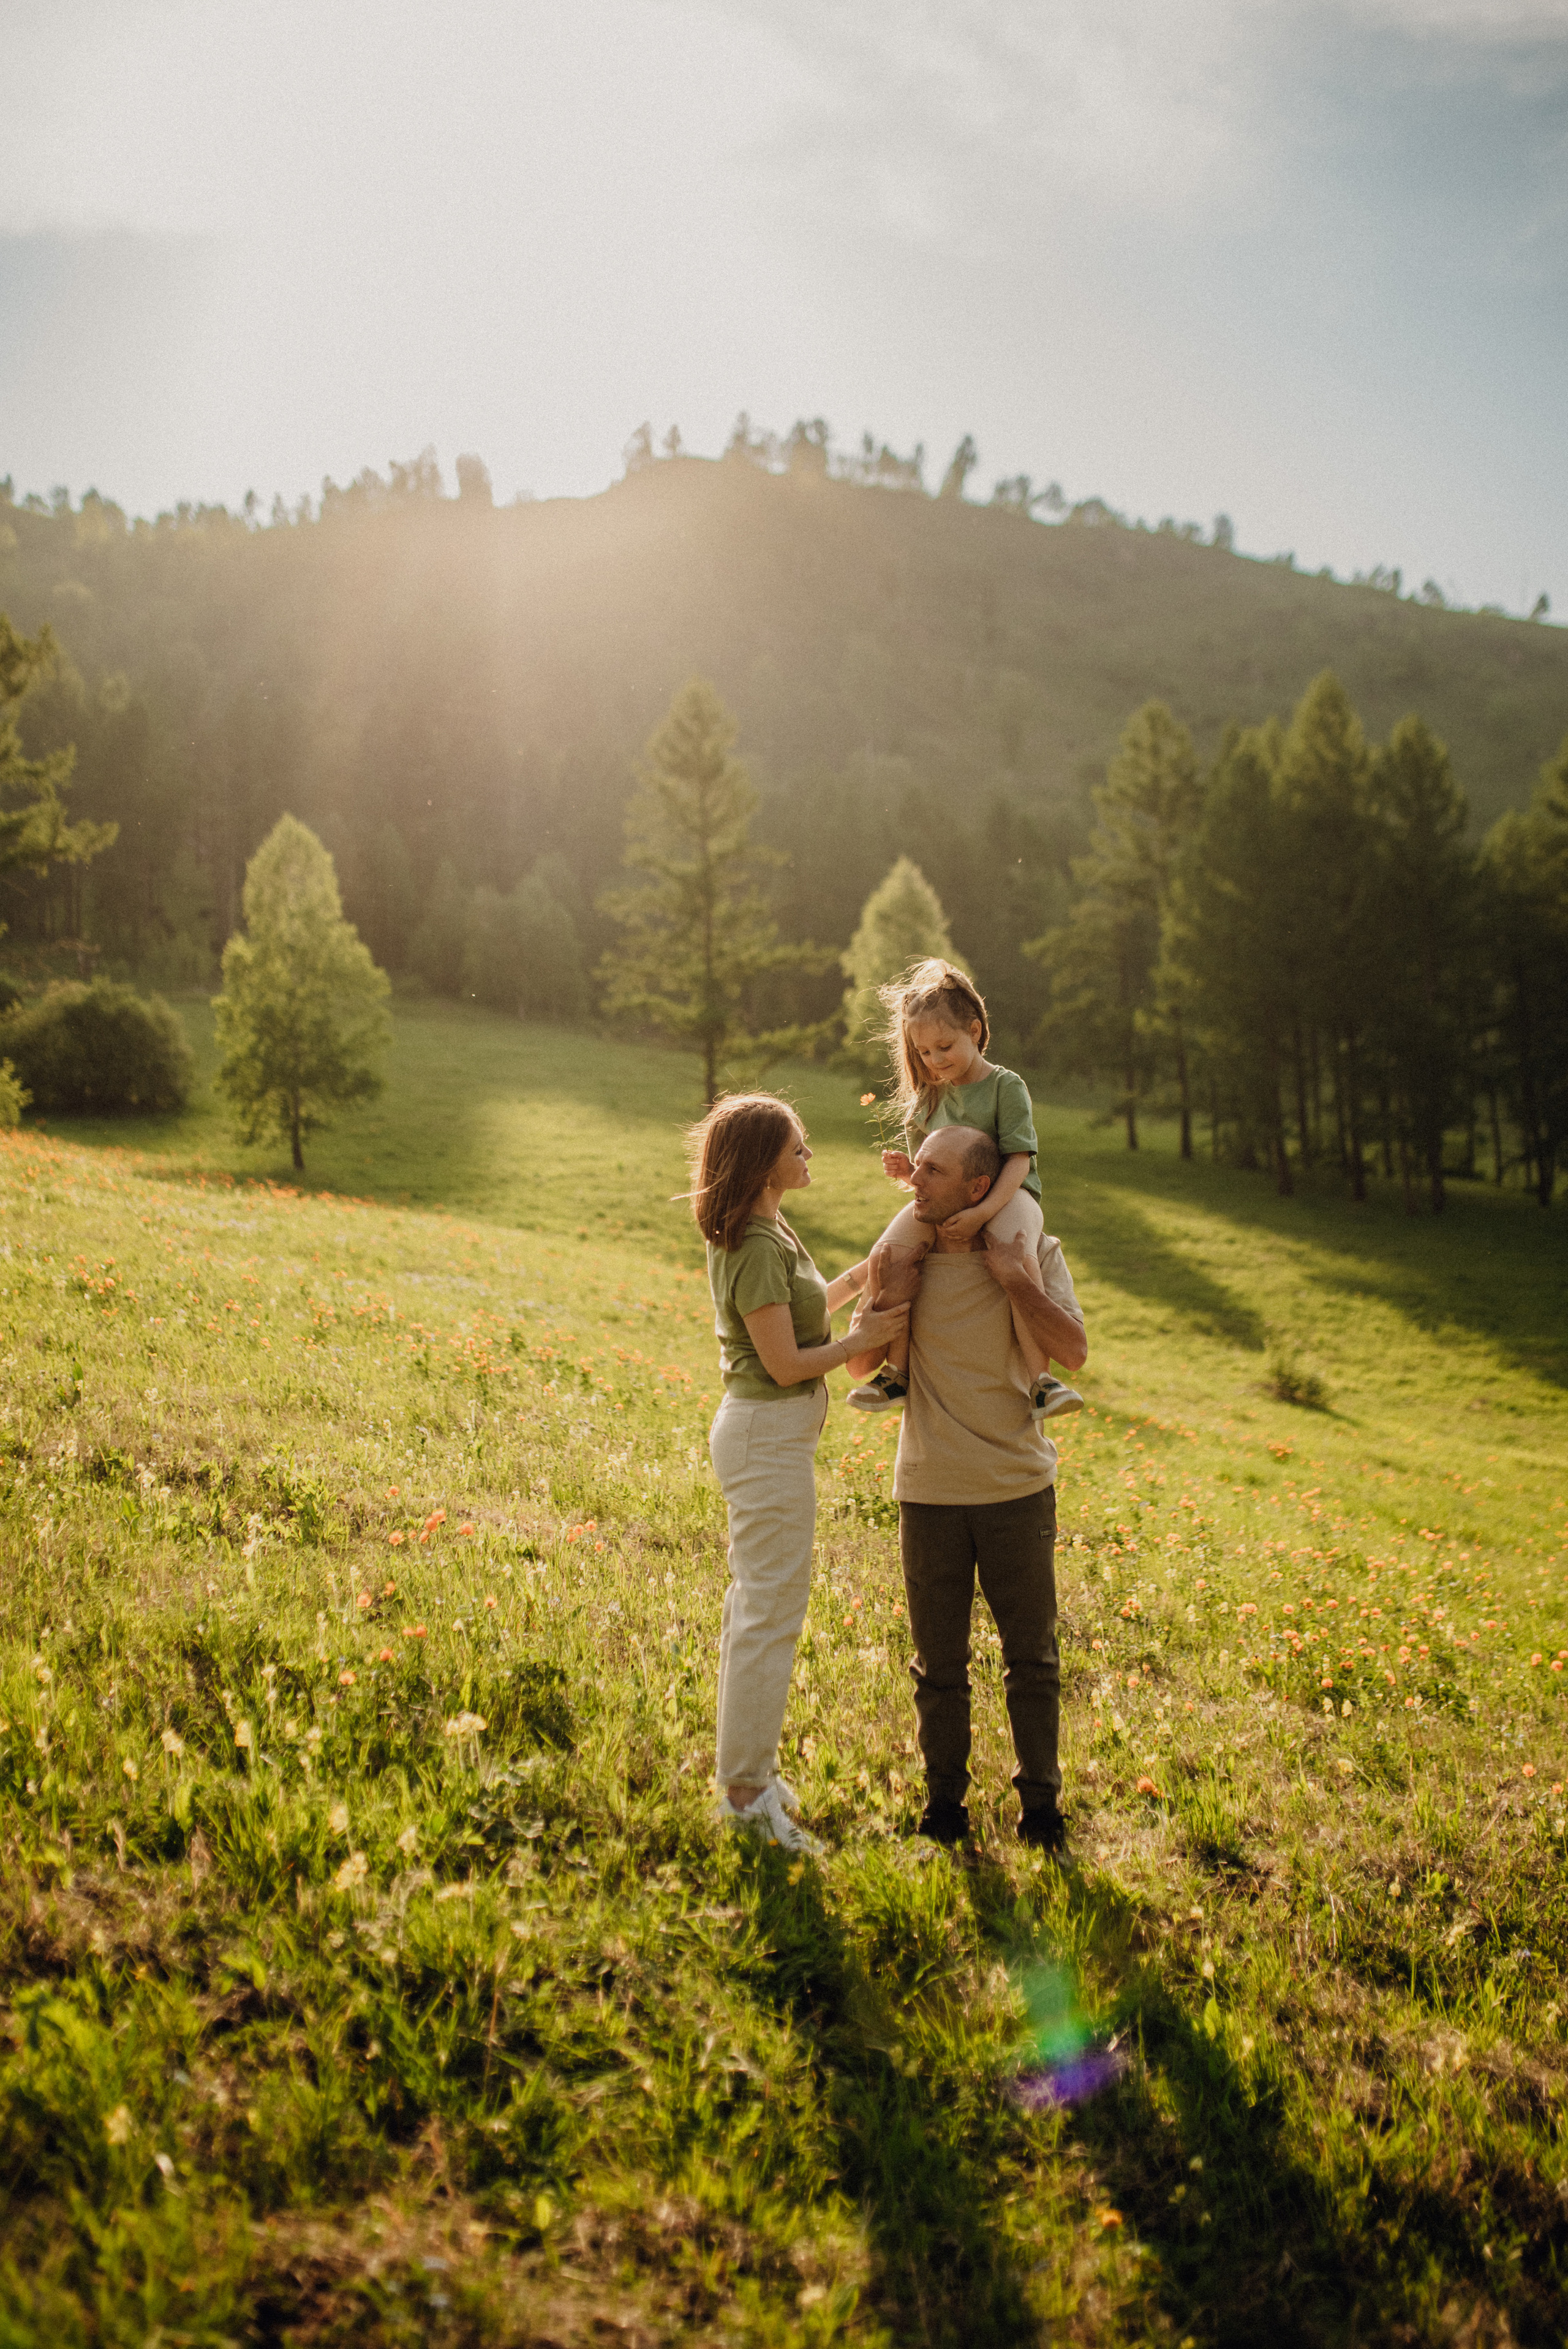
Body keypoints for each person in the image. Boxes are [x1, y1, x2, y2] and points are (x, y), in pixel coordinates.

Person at [848, 1122, 1089, 1850]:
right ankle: (943, 1807)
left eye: (933, 1171)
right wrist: (886, 1299)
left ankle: (1041, 1810)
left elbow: (1073, 1351)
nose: (913, 1181)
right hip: (928, 1491)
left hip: (1017, 1488)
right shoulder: (905, 1254)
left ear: (978, 1188)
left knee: (1032, 1661)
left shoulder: (1033, 1250)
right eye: (916, 1167)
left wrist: (1016, 1281)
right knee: (938, 1667)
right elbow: (857, 1367)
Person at [689, 1092, 910, 1856]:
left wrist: (864, 1275)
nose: (809, 1156)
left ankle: (745, 1775)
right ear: (763, 1164)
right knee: (768, 1615)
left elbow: (803, 1306)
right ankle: (745, 1797)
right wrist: (867, 1335)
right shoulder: (754, 1242)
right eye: (798, 1148)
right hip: (765, 1438)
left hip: (769, 1438)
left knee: (755, 1607)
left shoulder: (768, 1228)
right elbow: (785, 1363)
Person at [847, 959, 1082, 1426]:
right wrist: (906, 1172)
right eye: (924, 1052)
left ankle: (1042, 1380)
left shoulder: (1004, 1086)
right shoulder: (930, 1096)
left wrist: (984, 1212)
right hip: (952, 1198)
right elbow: (926, 1177)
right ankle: (896, 1373)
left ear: (974, 1031)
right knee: (890, 1255)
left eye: (945, 1047)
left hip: (1010, 1192)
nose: (935, 1060)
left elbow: (1019, 1159)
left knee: (1016, 1253)